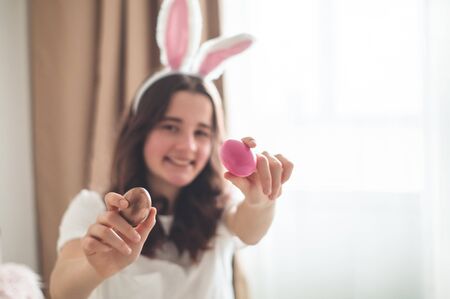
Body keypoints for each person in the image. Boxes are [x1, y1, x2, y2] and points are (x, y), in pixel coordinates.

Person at [49, 1, 293, 298]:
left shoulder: (218, 209)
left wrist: (261, 201)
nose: (188, 146)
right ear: (140, 131)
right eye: (171, 126)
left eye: (202, 132)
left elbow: (250, 229)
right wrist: (96, 268)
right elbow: (62, 290)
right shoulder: (94, 209)